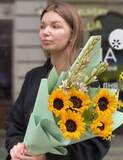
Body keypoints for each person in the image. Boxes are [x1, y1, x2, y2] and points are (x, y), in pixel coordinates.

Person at [5, 1, 110, 160]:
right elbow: (15, 124)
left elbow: (98, 143)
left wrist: (48, 157)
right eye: (42, 26)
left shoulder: (87, 80)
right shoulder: (33, 77)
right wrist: (17, 147)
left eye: (55, 26)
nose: (45, 32)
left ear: (72, 33)